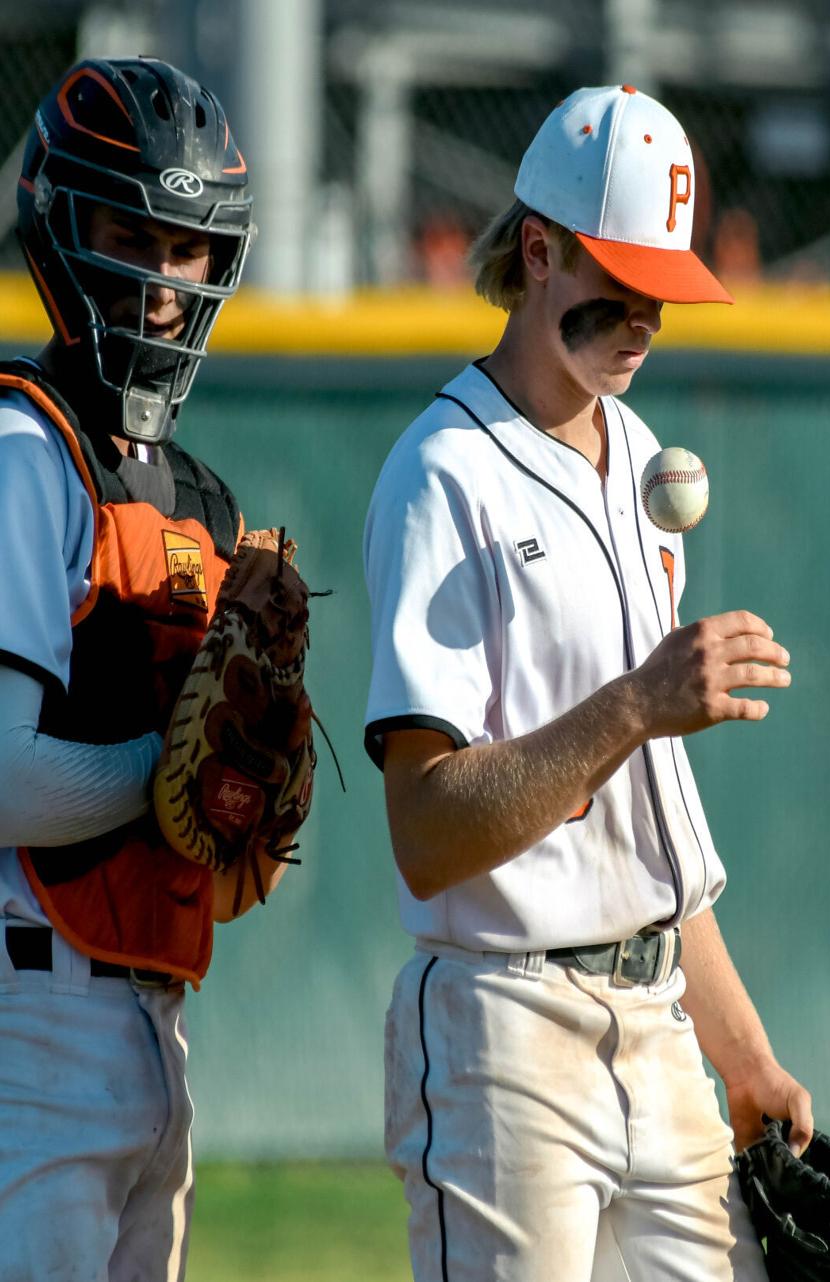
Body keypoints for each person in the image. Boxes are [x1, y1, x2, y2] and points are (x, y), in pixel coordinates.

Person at [365, 84, 812, 1282]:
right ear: (537, 249)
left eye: (662, 288)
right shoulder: (441, 477)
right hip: (502, 1033)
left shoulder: (634, 461)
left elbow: (650, 818)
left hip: (656, 1020)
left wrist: (744, 1052)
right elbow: (424, 828)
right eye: (617, 281)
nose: (644, 318)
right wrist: (632, 705)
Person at [0, 57, 284, 1281]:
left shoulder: (204, 504)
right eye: (132, 234)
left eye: (186, 249)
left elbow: (209, 854)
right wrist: (169, 765)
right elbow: (5, 781)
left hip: (157, 1021)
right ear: (63, 225)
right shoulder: (25, 445)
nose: (162, 282)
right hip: (30, 1011)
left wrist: (246, 809)